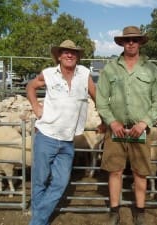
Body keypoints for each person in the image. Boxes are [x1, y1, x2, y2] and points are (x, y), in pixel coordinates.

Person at [96, 26, 157, 225]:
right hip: (116, 130)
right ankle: (114, 210)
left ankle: (140, 210)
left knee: (140, 171)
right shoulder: (110, 68)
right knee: (115, 170)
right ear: (121, 43)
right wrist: (112, 121)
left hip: (140, 130)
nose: (131, 43)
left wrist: (145, 122)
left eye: (135, 40)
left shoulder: (151, 69)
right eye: (128, 40)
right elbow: (101, 100)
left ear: (141, 42)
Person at [27, 40, 101, 225]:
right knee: (40, 181)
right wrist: (36, 106)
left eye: (73, 52)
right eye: (65, 52)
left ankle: (37, 219)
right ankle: (39, 221)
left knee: (60, 183)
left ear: (77, 56)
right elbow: (30, 87)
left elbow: (96, 96)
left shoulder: (84, 73)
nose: (69, 55)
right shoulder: (49, 74)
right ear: (59, 56)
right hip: (46, 136)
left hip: (68, 140)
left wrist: (106, 120)